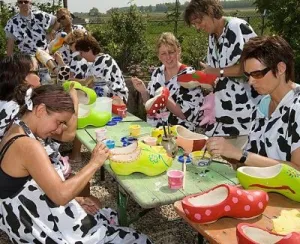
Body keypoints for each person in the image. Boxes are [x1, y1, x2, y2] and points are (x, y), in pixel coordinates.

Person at [0, 84, 152, 243]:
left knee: (106, 214)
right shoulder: (28, 146)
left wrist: (77, 200)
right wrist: (94, 163)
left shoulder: (16, 129)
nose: (59, 130)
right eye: (59, 122)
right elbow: (60, 195)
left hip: (30, 223)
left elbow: (32, 188)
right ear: (40, 110)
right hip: (44, 232)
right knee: (139, 239)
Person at [206, 36, 300, 170]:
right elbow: (257, 157)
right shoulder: (264, 103)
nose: (250, 81)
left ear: (280, 68)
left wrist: (239, 154)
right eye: (247, 75)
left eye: (257, 74)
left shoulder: (297, 108)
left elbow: (297, 170)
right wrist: (225, 152)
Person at [184, 0, 260, 146]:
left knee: (239, 163)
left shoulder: (237, 27)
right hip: (224, 114)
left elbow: (252, 67)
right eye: (194, 25)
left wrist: (216, 72)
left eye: (199, 21)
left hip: (245, 113)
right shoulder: (212, 37)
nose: (198, 27)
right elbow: (214, 75)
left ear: (210, 11)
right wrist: (196, 77)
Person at [131, 32, 205, 131]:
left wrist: (165, 99)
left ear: (178, 51)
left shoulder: (190, 76)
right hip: (155, 131)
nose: (168, 57)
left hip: (179, 134)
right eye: (163, 53)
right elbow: (151, 106)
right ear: (159, 56)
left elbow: (186, 115)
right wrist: (143, 91)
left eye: (171, 52)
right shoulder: (157, 73)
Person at [75, 32, 129, 103]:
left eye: (81, 53)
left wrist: (71, 81)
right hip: (109, 99)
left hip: (117, 99)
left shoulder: (102, 60)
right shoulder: (94, 63)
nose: (81, 56)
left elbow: (88, 82)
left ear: (89, 49)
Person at [0, 53, 40, 140]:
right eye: (37, 71)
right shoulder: (22, 105)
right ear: (23, 78)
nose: (39, 77)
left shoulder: (6, 102)